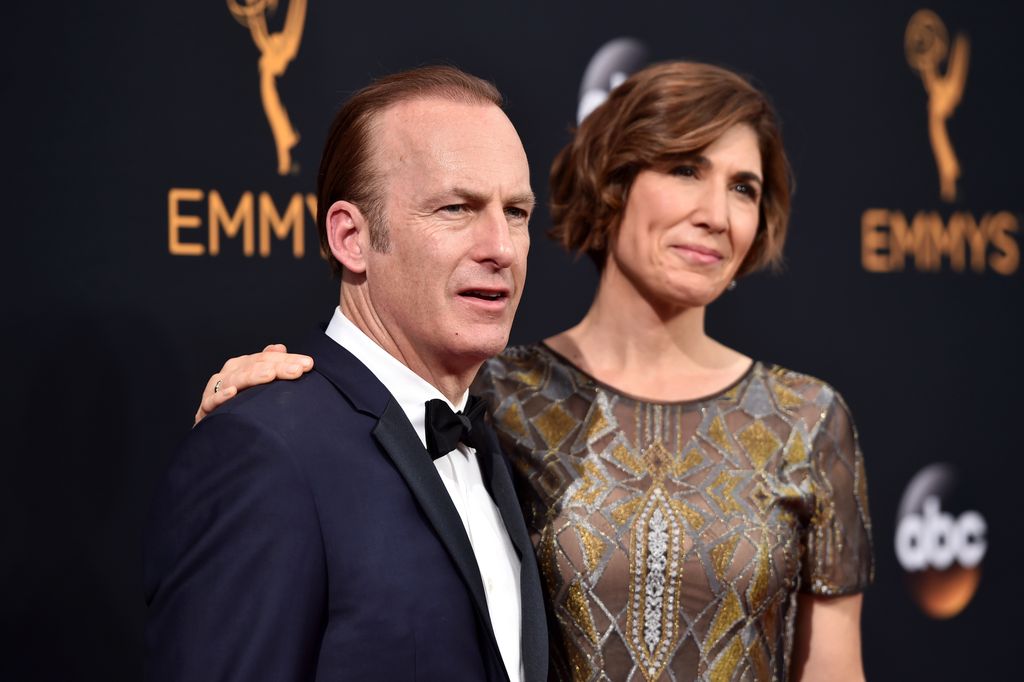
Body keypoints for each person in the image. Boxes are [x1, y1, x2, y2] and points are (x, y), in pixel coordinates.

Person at [196, 61, 874, 681]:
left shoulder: (807, 418)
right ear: (613, 183)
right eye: (686, 170)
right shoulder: (489, 391)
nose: (716, 216)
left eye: (745, 189)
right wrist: (264, 408)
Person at [145, 66, 549, 682]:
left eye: (516, 212)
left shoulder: (499, 441)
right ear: (352, 238)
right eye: (456, 207)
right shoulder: (264, 450)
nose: (501, 246)